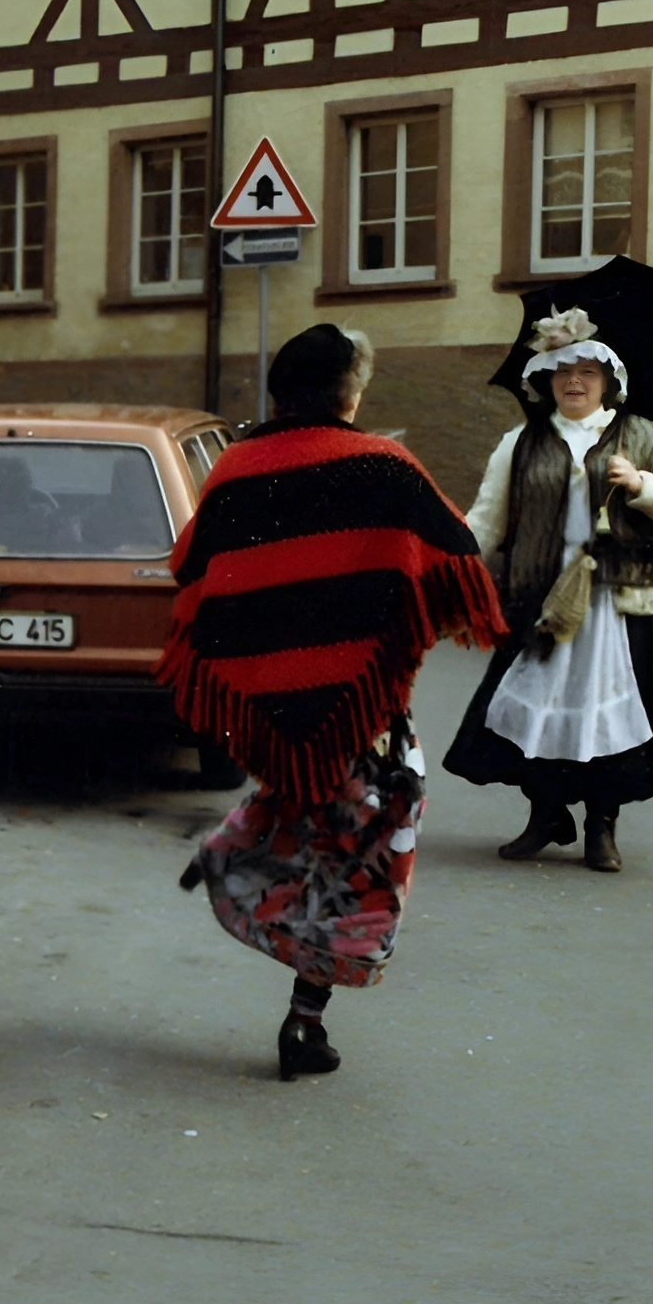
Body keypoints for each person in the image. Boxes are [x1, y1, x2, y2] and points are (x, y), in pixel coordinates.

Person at [160, 326, 504, 1080]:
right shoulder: (385, 465)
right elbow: (456, 561)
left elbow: (194, 572)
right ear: (349, 393)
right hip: (367, 717)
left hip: (280, 708)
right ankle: (304, 1020)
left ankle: (231, 858)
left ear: (281, 393)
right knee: (371, 851)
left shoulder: (235, 468)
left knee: (303, 806)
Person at [444, 308, 653, 874]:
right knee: (535, 711)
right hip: (541, 599)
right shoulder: (520, 442)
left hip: (615, 599)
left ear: (609, 380)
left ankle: (601, 829)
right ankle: (546, 815)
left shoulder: (642, 436)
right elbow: (486, 522)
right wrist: (445, 564)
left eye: (587, 370)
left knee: (610, 716)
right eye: (562, 372)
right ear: (545, 379)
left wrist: (643, 485)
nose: (575, 381)